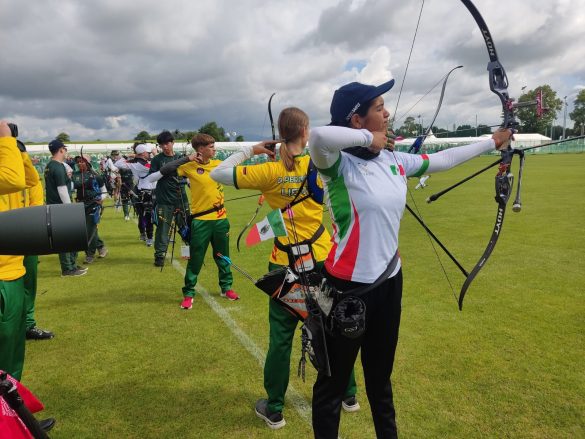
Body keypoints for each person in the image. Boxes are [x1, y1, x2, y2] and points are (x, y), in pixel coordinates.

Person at [307, 80, 513, 439]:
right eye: (379, 107)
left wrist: (492, 142)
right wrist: (369, 139)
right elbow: (319, 137)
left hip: (389, 283)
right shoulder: (337, 165)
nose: (387, 113)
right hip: (345, 290)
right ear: (356, 120)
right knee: (332, 387)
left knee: (380, 381)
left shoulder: (394, 160)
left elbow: (442, 160)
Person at [210, 107, 360, 429]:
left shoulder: (270, 170)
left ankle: (275, 408)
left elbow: (218, 173)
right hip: (322, 259)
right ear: (305, 132)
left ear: (281, 135)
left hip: (286, 265)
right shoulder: (320, 163)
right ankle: (348, 394)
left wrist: (252, 150)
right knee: (332, 325)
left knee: (281, 338)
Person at [147, 133, 239, 307]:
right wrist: (186, 158)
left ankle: (226, 287)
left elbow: (240, 169)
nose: (214, 149)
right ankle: (189, 292)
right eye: (211, 147)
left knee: (223, 256)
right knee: (195, 258)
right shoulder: (188, 166)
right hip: (201, 221)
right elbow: (164, 171)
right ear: (201, 149)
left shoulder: (219, 164)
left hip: (221, 220)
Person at [0, 120, 42, 379]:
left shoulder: (8, 160)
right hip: (2, 273)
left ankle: (12, 400)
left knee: (13, 349)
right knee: (4, 345)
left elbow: (29, 179)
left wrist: (18, 149)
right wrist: (6, 140)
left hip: (12, 267)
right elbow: (13, 179)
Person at [43, 139, 87, 277]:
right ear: (61, 150)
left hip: (54, 206)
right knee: (64, 239)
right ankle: (67, 269)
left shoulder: (50, 165)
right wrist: (69, 209)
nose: (66, 151)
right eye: (65, 149)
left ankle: (71, 265)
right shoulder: (58, 166)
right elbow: (62, 189)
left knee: (67, 238)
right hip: (60, 208)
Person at [150, 131, 189, 267]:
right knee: (163, 228)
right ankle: (159, 255)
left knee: (186, 226)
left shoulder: (181, 158)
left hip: (181, 198)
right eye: (162, 144)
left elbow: (189, 176)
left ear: (173, 143)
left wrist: (187, 181)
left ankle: (188, 252)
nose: (165, 146)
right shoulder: (157, 159)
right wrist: (164, 171)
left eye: (167, 143)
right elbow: (151, 178)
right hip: (164, 199)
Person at [23, 175, 54, 340]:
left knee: (29, 283)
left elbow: (35, 207)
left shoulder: (30, 176)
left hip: (26, 237)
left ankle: (28, 325)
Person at [115, 143, 157, 245]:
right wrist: (156, 154)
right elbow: (156, 166)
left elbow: (118, 164)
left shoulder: (134, 163)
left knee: (142, 215)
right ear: (143, 153)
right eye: (148, 152)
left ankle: (143, 233)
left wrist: (129, 156)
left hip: (140, 191)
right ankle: (149, 237)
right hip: (146, 192)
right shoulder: (142, 164)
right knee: (147, 215)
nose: (149, 154)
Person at [72, 154, 108, 264]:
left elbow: (104, 191)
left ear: (88, 163)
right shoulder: (74, 175)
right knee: (85, 229)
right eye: (78, 161)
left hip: (93, 204)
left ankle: (90, 255)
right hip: (80, 205)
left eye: (82, 161)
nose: (79, 163)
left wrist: (101, 199)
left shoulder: (95, 175)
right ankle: (101, 246)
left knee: (90, 229)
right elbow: (71, 188)